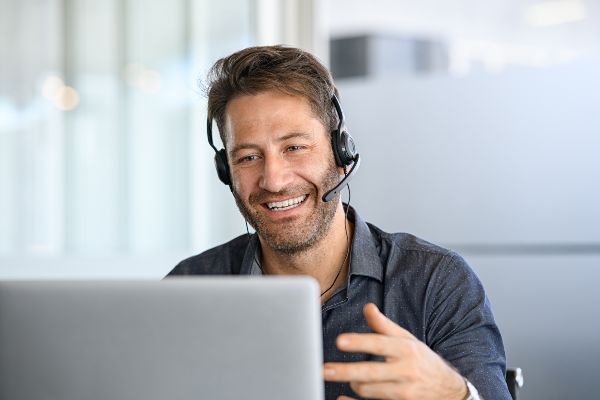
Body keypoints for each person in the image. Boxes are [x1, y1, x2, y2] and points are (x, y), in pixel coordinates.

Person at [166, 45, 511, 400]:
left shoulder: (434, 282)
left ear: (341, 152)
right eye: (248, 157)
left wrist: (453, 394)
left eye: (294, 147)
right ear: (227, 172)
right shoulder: (189, 289)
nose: (273, 180)